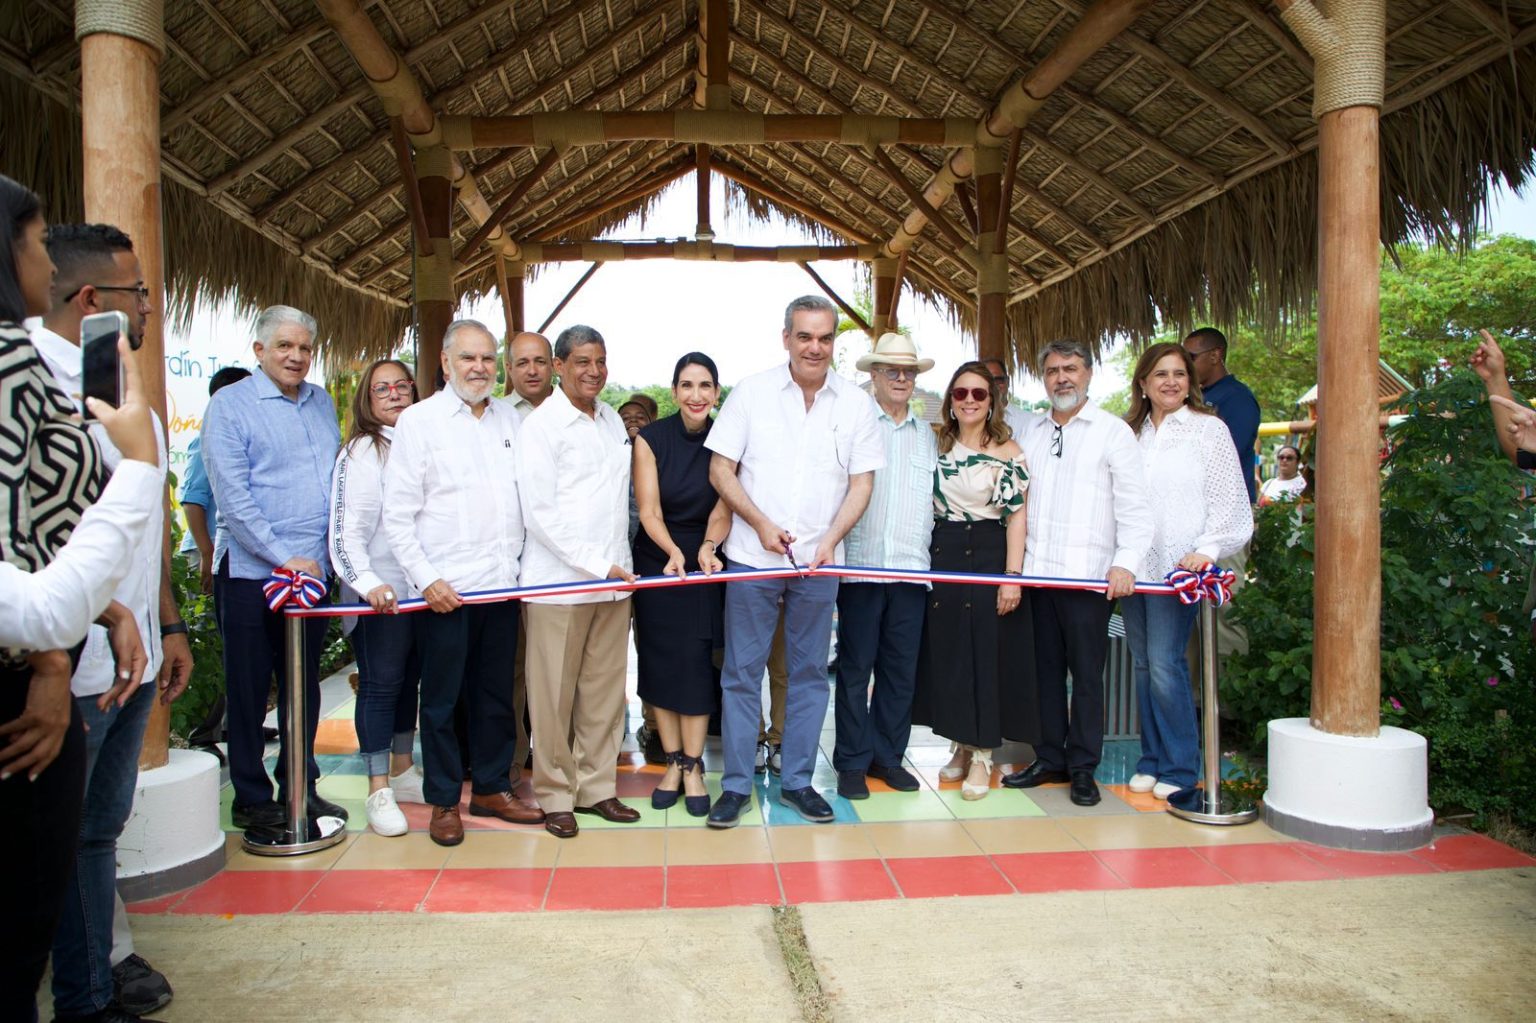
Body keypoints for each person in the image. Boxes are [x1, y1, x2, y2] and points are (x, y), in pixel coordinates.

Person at [34, 223, 194, 1021]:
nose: (149, 311)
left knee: (97, 832)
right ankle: (87, 993)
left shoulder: (137, 400)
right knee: (58, 840)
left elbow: (148, 532)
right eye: (140, 296)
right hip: (65, 663)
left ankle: (96, 974)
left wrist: (168, 624)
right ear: (94, 298)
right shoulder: (35, 392)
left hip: (130, 660)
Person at [705, 295, 884, 828]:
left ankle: (798, 782)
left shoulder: (854, 403)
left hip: (818, 564)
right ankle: (735, 786)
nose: (815, 347)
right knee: (741, 674)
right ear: (786, 338)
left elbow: (863, 481)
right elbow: (721, 469)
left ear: (834, 343)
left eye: (825, 338)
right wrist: (757, 522)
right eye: (804, 336)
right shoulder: (753, 394)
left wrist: (831, 538)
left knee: (809, 675)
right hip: (751, 560)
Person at [0, 174, 112, 1022]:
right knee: (16, 917)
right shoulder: (9, 364)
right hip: (21, 676)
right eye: (37, 241)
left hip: (51, 644)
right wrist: (47, 665)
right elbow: (13, 532)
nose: (47, 258)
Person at [383, 321, 541, 847]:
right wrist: (426, 580)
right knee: (443, 701)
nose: (479, 368)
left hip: (501, 586)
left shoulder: (511, 421)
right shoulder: (418, 422)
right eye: (468, 359)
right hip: (445, 592)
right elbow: (397, 514)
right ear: (446, 363)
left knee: (496, 694)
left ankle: (494, 787)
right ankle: (445, 800)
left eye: (487, 359)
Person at [202, 304, 348, 831]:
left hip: (313, 578)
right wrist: (285, 558)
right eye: (285, 346)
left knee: (302, 686)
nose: (296, 356)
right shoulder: (231, 405)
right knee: (249, 688)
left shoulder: (320, 402)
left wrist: (325, 561)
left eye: (305, 347)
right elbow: (233, 498)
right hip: (251, 574)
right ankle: (250, 796)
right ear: (260, 350)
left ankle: (300, 788)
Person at [1003, 339, 1153, 807]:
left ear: (1089, 374)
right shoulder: (1029, 431)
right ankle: (1050, 759)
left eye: (1070, 368)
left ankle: (1083, 766)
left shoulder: (1113, 432)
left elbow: (1135, 507)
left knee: (1087, 677)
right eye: (1052, 370)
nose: (1061, 377)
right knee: (1043, 675)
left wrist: (1125, 562)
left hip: (1089, 579)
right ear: (1043, 378)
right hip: (1037, 577)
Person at [516, 324, 641, 839]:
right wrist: (597, 563)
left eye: (601, 360)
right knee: (551, 698)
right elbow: (540, 514)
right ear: (560, 366)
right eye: (582, 361)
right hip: (557, 586)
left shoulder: (611, 418)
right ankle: (554, 794)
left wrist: (617, 568)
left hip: (614, 583)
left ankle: (596, 789)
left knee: (604, 694)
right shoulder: (541, 426)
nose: (594, 371)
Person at [1120, 343, 1253, 799]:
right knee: (1141, 663)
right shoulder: (1128, 434)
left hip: (1178, 567)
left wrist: (1207, 549)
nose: (1171, 381)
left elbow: (1230, 501)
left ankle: (1179, 767)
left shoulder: (1208, 430)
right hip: (1133, 566)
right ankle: (1151, 759)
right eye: (1160, 374)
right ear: (1143, 382)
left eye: (1179, 373)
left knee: (1165, 664)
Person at [911, 361, 1033, 800]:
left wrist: (1011, 577)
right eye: (960, 393)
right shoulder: (934, 444)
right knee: (951, 655)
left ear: (992, 400)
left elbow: (1016, 519)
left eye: (978, 394)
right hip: (942, 554)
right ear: (949, 398)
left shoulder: (1008, 450)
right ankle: (959, 746)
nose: (968, 401)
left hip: (987, 552)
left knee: (985, 656)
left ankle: (983, 754)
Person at [832, 333, 938, 800]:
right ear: (872, 375)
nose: (900, 379)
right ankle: (852, 761)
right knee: (856, 670)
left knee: (901, 671)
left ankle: (888, 756)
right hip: (861, 566)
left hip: (912, 570)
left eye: (908, 372)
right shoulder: (852, 423)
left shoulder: (927, 433)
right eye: (891, 371)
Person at [632, 352, 731, 816]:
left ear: (715, 393)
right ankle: (672, 760)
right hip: (658, 557)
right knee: (660, 663)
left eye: (705, 386)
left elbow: (723, 506)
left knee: (694, 663)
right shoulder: (650, 439)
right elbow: (649, 509)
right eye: (687, 386)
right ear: (674, 392)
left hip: (705, 559)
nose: (696, 395)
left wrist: (707, 547)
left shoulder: (727, 438)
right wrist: (672, 552)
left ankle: (693, 765)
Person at [330, 358, 422, 837]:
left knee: (408, 683)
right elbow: (346, 533)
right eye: (382, 388)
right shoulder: (363, 451)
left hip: (421, 592)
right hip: (379, 594)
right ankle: (377, 786)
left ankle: (404, 771)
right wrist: (368, 584)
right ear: (367, 398)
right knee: (381, 684)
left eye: (402, 386)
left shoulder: (419, 442)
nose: (394, 394)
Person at [179, 366, 252, 594]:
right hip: (207, 549)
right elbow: (192, 501)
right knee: (206, 622)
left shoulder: (245, 439)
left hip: (228, 549)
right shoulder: (208, 439)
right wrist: (207, 552)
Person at [1182, 328, 1260, 503]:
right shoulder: (1194, 396)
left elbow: (1230, 455)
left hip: (1228, 507)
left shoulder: (1238, 397)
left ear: (1215, 356)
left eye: (1190, 357)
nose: (1185, 365)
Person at [982, 356, 1041, 441]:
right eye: (987, 381)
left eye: (998, 380)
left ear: (1008, 382)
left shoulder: (1030, 421)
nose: (994, 385)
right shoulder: (970, 423)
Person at [507, 330, 554, 417]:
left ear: (552, 365)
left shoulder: (576, 408)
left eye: (540, 362)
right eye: (523, 363)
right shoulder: (495, 414)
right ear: (510, 369)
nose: (532, 371)